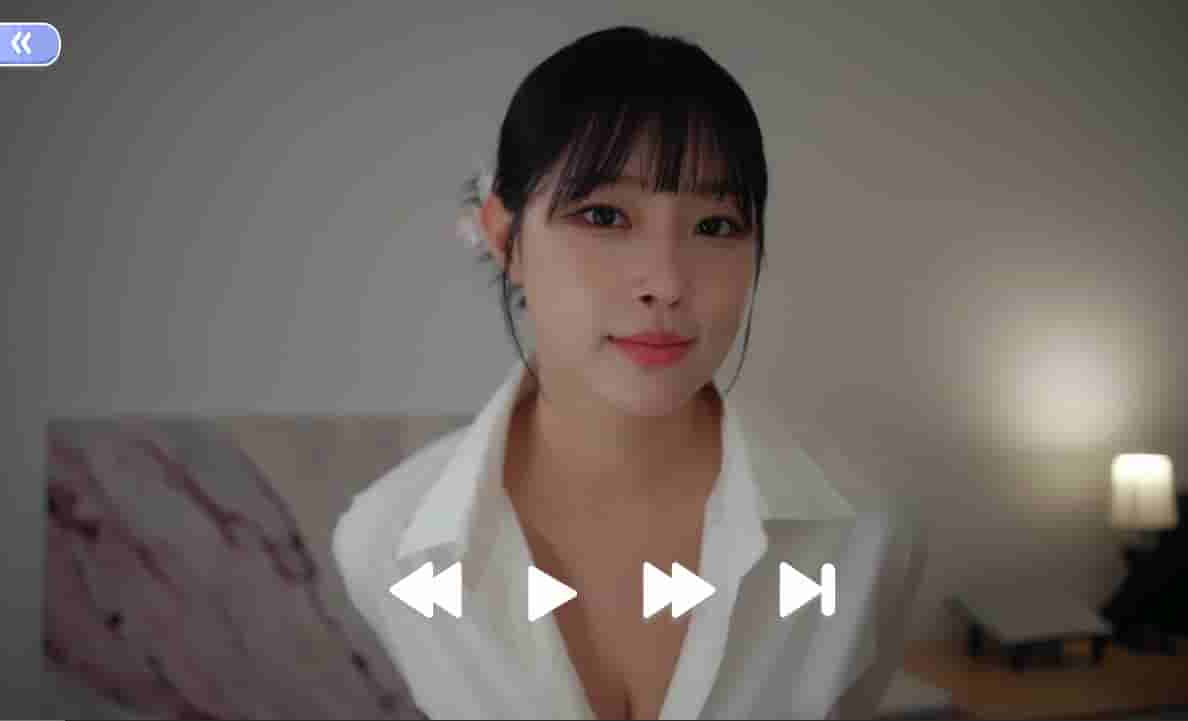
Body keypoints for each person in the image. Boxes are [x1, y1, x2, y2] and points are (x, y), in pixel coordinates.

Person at [333, 25, 926, 720]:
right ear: (505, 239)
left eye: (715, 226)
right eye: (605, 215)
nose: (666, 283)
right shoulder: (386, 543)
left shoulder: (868, 535)